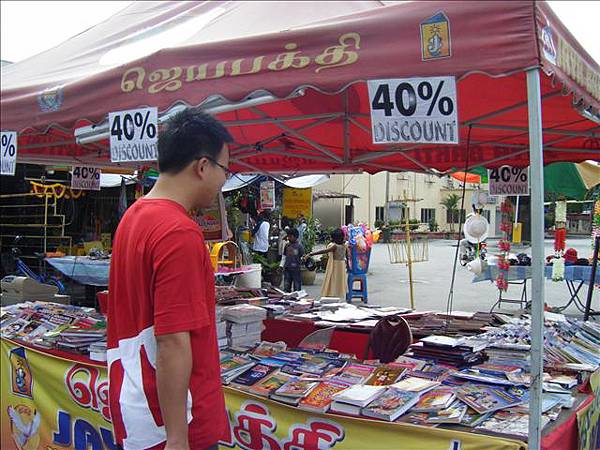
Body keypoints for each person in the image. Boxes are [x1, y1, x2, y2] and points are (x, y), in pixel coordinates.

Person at [107, 107, 232, 450]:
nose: (224, 181)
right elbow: (173, 341)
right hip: (177, 422)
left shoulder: (134, 216)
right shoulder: (179, 232)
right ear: (202, 166)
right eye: (225, 169)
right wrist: (178, 438)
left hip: (137, 405)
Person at [305, 228, 347, 300]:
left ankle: (332, 293)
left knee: (332, 279)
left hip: (335, 265)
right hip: (342, 265)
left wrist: (311, 254)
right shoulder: (344, 245)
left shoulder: (334, 246)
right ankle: (338, 293)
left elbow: (324, 251)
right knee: (339, 280)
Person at [283, 228, 304, 292]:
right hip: (287, 268)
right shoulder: (287, 245)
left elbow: (302, 256)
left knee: (297, 287)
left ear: (295, 237)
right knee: (286, 286)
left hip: (296, 269)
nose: (288, 238)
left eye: (290, 236)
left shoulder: (299, 246)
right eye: (288, 236)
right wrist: (281, 266)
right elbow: (284, 256)